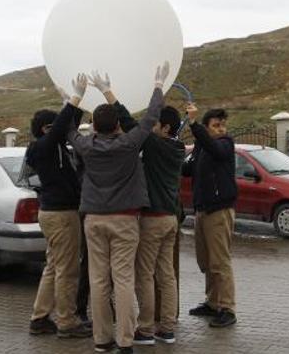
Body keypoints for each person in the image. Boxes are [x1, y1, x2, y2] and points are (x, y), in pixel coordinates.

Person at [65, 64, 169, 354]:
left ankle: (101, 340)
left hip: (94, 220)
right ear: (118, 126)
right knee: (123, 279)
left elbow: (68, 129)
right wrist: (157, 84)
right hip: (125, 220)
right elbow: (150, 119)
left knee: (98, 281)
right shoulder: (129, 143)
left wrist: (72, 98)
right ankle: (125, 341)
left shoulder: (85, 146)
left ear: (95, 126)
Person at [89, 67, 184, 346]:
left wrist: (108, 93)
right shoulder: (178, 149)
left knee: (144, 274)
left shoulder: (155, 144)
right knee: (166, 274)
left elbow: (130, 122)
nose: (152, 127)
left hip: (152, 219)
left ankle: (145, 328)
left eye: (156, 125)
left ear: (164, 128)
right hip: (171, 219)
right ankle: (167, 327)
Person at [27, 79, 91, 339]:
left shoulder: (51, 148)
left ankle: (39, 318)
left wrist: (77, 103)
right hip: (61, 215)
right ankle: (66, 321)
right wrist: (72, 101)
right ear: (45, 129)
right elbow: (60, 128)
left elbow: (68, 124)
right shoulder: (44, 147)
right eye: (54, 127)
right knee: (67, 269)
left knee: (54, 266)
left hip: (56, 213)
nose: (62, 131)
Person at [182, 103, 238, 328]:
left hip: (219, 210)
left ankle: (227, 307)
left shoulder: (225, 143)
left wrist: (194, 124)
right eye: (216, 125)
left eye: (222, 125)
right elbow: (187, 170)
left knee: (220, 261)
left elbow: (216, 150)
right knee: (206, 261)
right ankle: (212, 302)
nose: (221, 129)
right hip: (202, 209)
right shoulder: (200, 146)